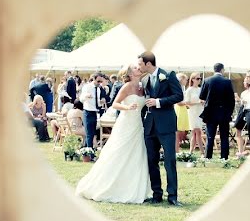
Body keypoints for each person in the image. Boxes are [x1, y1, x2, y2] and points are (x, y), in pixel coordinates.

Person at [75, 63, 150, 203]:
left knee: (136, 154)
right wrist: (127, 107)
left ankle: (133, 186)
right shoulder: (127, 87)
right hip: (126, 123)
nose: (138, 68)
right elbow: (115, 103)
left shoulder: (142, 86)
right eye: (135, 68)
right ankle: (104, 185)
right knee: (118, 152)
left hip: (137, 124)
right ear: (129, 74)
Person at [138, 50, 184, 206]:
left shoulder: (168, 75)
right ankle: (156, 194)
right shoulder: (144, 80)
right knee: (152, 161)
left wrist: (158, 102)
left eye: (140, 63)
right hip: (149, 126)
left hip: (166, 124)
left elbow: (179, 96)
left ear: (148, 63)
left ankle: (172, 197)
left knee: (170, 161)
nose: (139, 67)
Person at [198, 63, 235, 160]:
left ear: (214, 70)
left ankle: (208, 156)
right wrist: (229, 112)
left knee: (210, 136)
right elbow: (231, 99)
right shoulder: (227, 81)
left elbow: (201, 96)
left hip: (210, 112)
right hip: (224, 112)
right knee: (224, 136)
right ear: (222, 70)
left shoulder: (207, 80)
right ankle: (224, 157)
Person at [184, 72, 207, 156]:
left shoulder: (200, 89)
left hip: (200, 111)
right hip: (193, 112)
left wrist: (203, 102)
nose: (199, 80)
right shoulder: (189, 90)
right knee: (197, 131)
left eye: (200, 78)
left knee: (195, 132)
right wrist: (198, 102)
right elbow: (187, 102)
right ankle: (202, 152)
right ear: (192, 79)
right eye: (197, 78)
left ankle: (191, 152)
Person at [79, 75, 99, 148]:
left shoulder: (98, 89)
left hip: (95, 112)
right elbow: (81, 99)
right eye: (98, 81)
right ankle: (89, 152)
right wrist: (86, 96)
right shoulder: (87, 87)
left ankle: (87, 151)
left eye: (101, 81)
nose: (99, 83)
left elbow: (97, 102)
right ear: (93, 79)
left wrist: (101, 102)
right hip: (87, 112)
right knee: (89, 134)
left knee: (93, 133)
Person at [174, 73, 190, 152]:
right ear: (181, 79)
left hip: (183, 110)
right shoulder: (177, 88)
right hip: (179, 110)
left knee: (181, 131)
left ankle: (177, 149)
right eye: (185, 79)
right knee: (177, 131)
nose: (186, 81)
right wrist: (187, 102)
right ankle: (176, 150)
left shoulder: (181, 88)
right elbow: (178, 102)